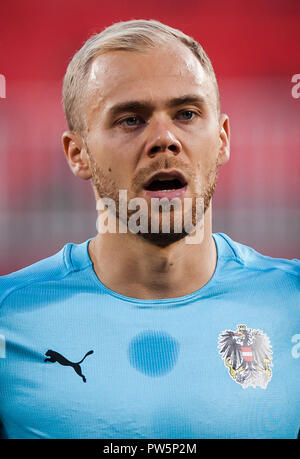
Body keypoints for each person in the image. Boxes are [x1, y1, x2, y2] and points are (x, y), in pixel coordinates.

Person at [0, 19, 299, 440]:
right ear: (77, 153)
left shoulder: (293, 302)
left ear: (223, 138)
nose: (164, 138)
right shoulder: (9, 319)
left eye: (187, 114)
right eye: (131, 119)